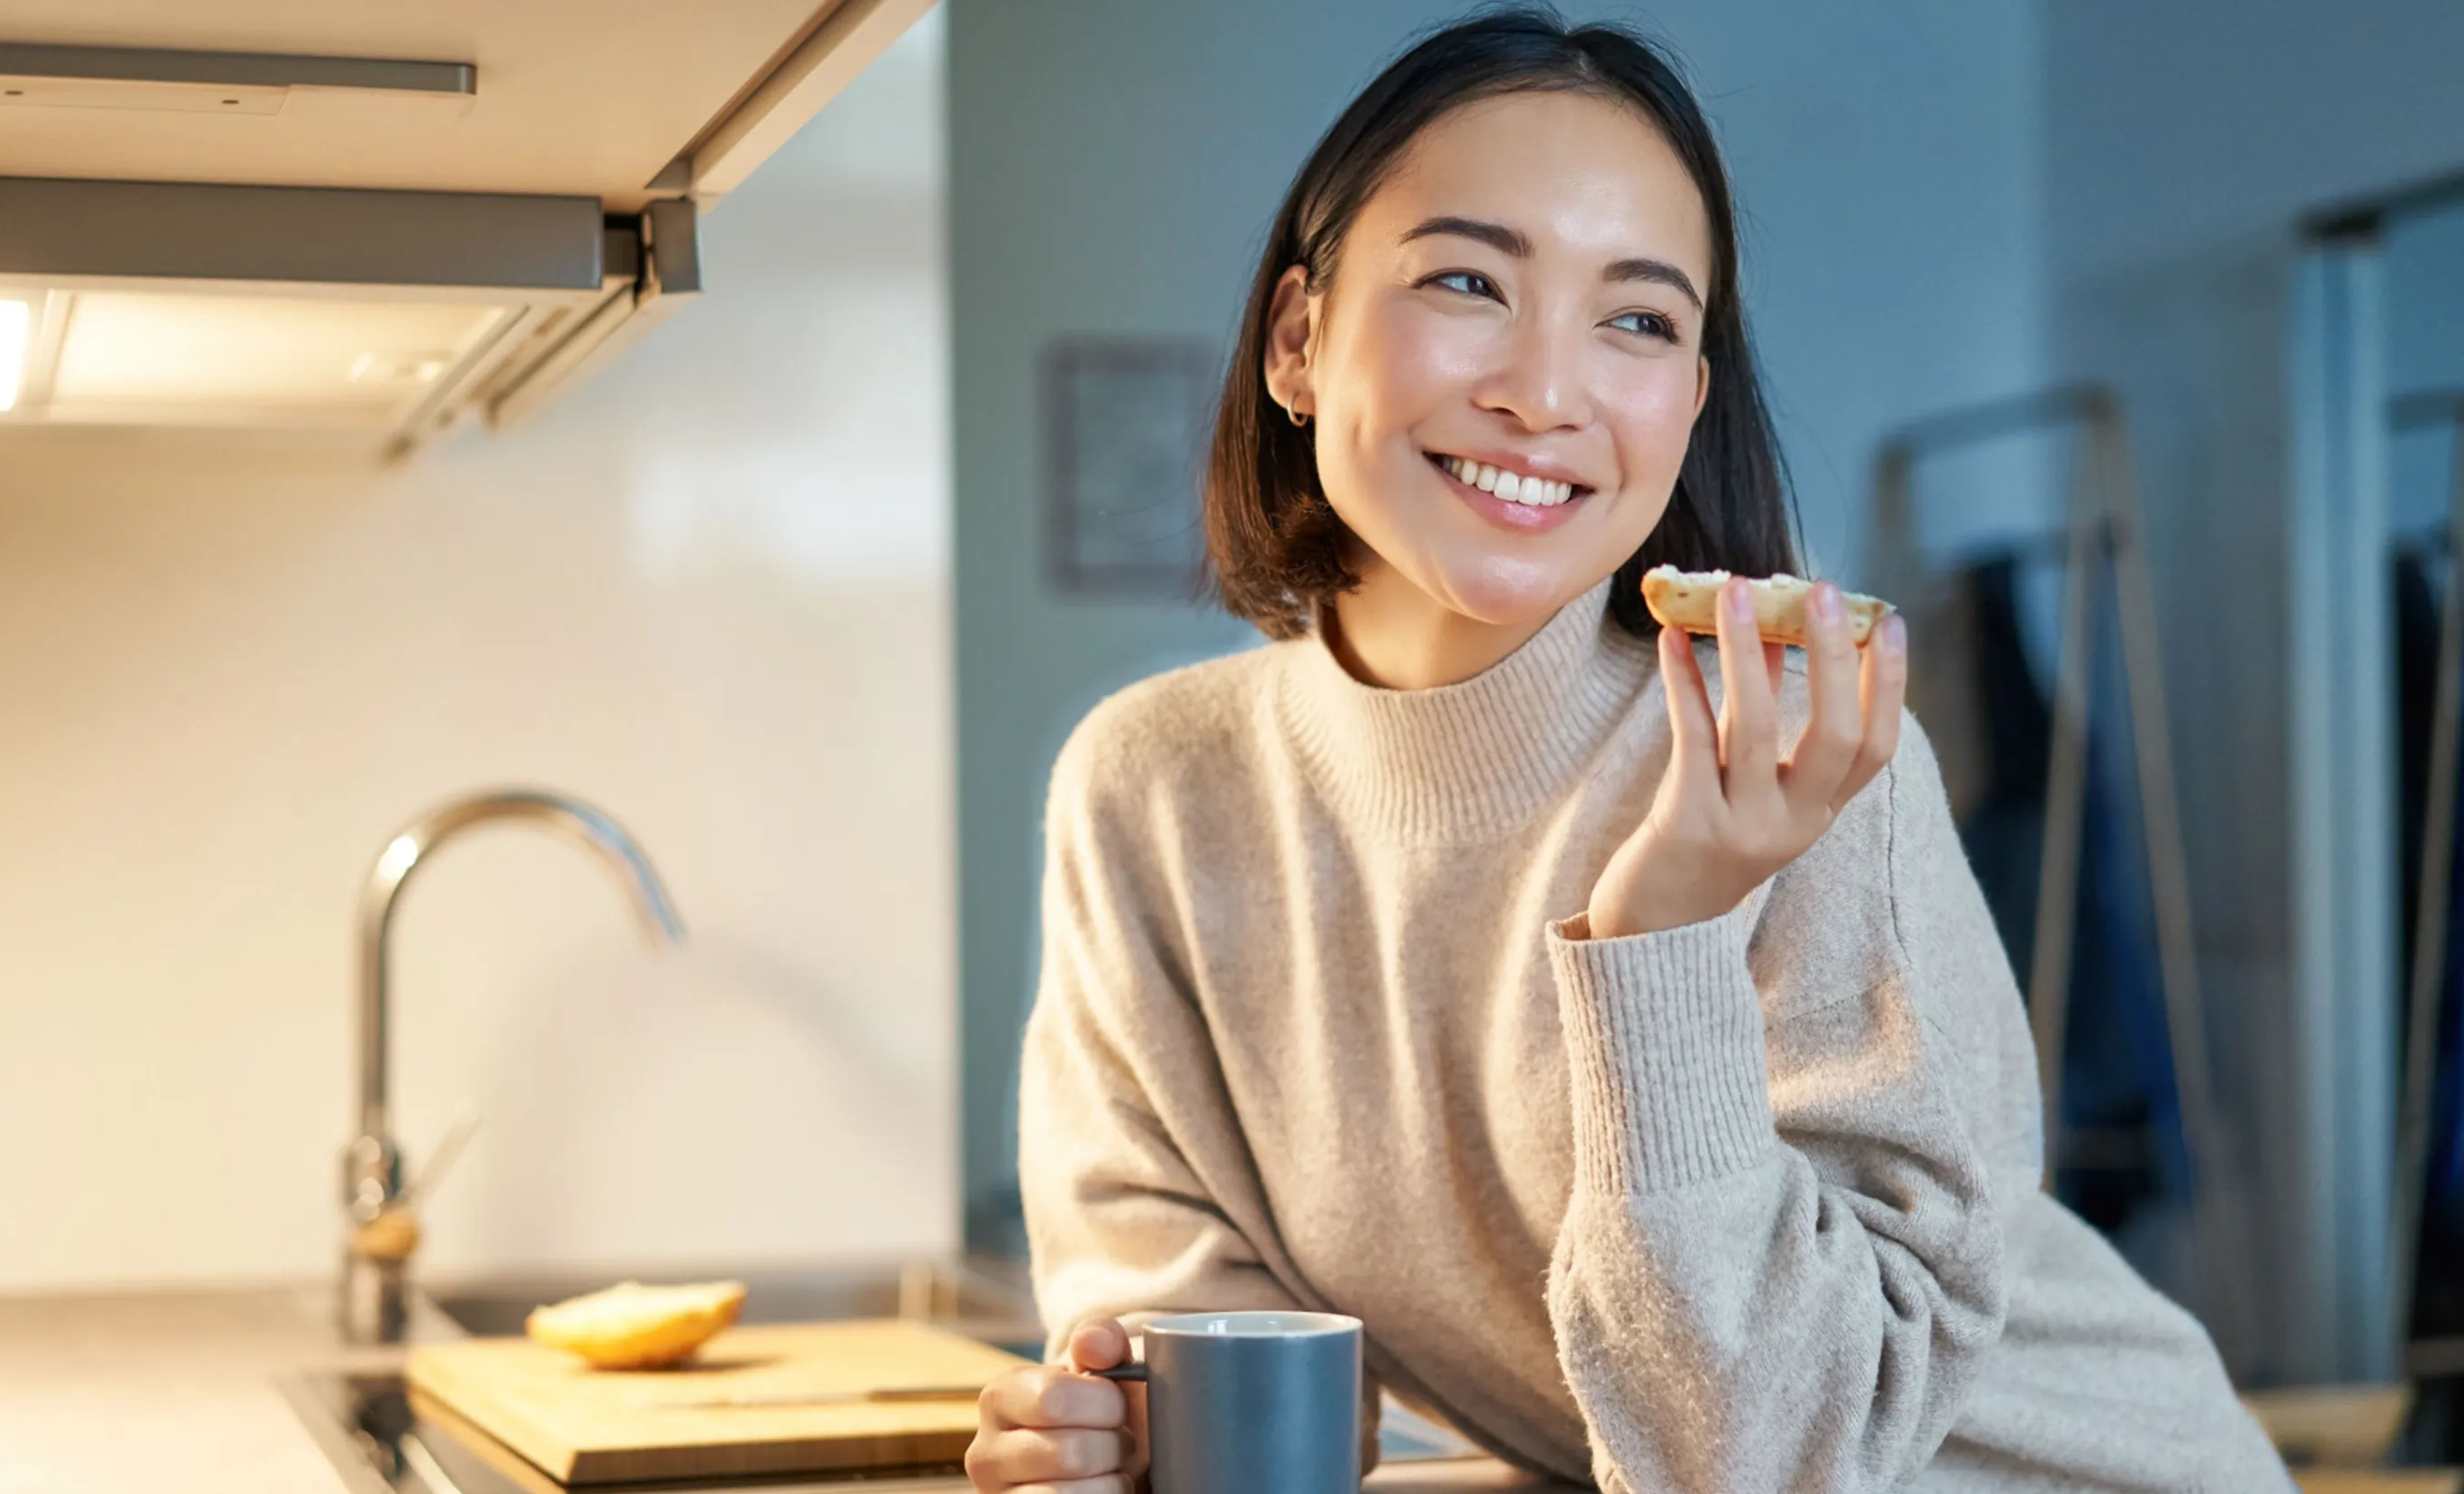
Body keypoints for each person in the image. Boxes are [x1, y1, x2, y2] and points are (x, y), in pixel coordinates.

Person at [965, 9, 2290, 1491]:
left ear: (1688, 406)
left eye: (1641, 320)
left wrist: (1664, 932)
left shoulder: (1797, 760)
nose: (1547, 391)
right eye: (1470, 281)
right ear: (1297, 340)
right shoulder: (1150, 790)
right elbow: (1184, 1307)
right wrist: (1136, 1417)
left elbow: (1762, 1459)